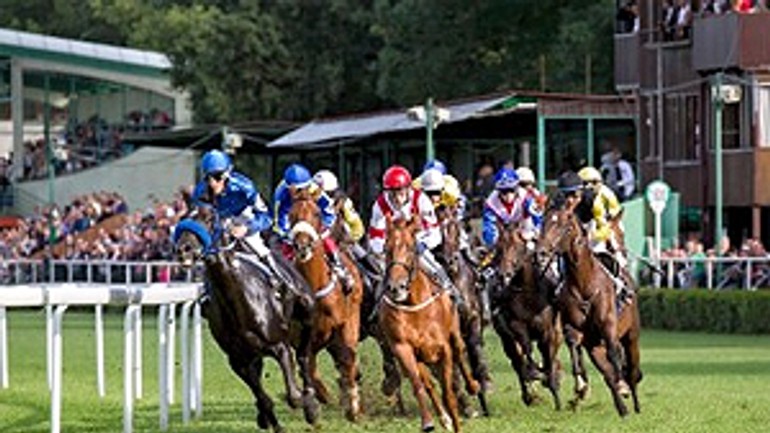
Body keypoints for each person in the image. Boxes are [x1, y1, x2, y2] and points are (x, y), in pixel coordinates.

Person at [368, 165, 462, 305]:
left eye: (400, 191)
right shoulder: (380, 205)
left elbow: (435, 233)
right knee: (382, 272)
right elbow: (375, 237)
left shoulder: (421, 200)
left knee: (431, 264)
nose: (397, 196)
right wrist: (386, 248)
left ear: (407, 188)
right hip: (393, 245)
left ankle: (449, 290)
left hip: (417, 239)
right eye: (392, 192)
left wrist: (422, 244)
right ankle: (376, 307)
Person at [192, 149, 287, 288]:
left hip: (244, 216)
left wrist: (247, 228)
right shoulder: (199, 192)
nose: (212, 183)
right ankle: (205, 288)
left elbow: (266, 217)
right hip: (219, 220)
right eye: (208, 178)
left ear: (227, 175)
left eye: (217, 177)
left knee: (257, 246)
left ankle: (279, 280)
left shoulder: (245, 187)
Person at [273, 163, 353, 289]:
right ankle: (281, 276)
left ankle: (339, 267)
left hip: (313, 223)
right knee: (283, 245)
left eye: (300, 189)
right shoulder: (280, 194)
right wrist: (287, 234)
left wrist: (322, 229)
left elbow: (329, 212)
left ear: (308, 186)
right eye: (293, 190)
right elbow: (278, 221)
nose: (296, 193)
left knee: (326, 237)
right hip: (292, 222)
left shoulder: (315, 189)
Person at [312, 169, 367, 260]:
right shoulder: (309, 205)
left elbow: (358, 229)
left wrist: (346, 241)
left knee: (363, 256)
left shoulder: (344, 204)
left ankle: (374, 273)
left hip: (342, 244)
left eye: (325, 194)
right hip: (314, 244)